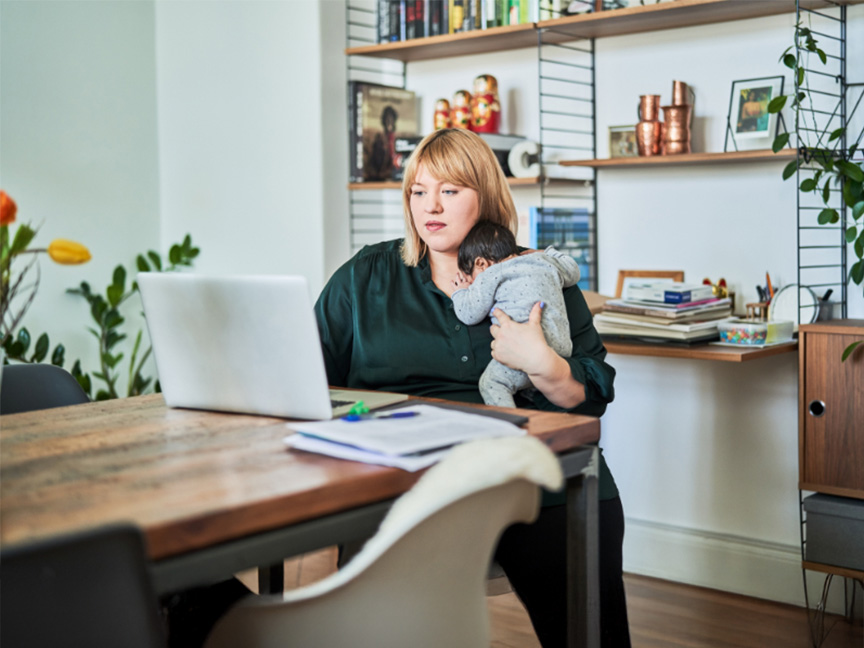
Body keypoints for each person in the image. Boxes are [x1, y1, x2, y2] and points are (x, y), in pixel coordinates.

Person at [315, 127, 631, 648]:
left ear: (485, 195)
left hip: (538, 484)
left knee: (590, 631)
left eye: (450, 190)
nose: (429, 206)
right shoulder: (364, 278)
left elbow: (595, 391)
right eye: (418, 191)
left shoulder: (538, 273)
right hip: (405, 486)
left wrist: (544, 364)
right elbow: (309, 376)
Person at [451, 221, 582, 408]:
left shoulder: (491, 274)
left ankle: (510, 425)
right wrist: (546, 253)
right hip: (561, 352)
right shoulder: (543, 262)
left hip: (521, 351)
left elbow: (469, 314)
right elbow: (573, 272)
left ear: (480, 264)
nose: (472, 282)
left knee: (491, 383)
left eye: (470, 276)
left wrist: (461, 292)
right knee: (529, 386)